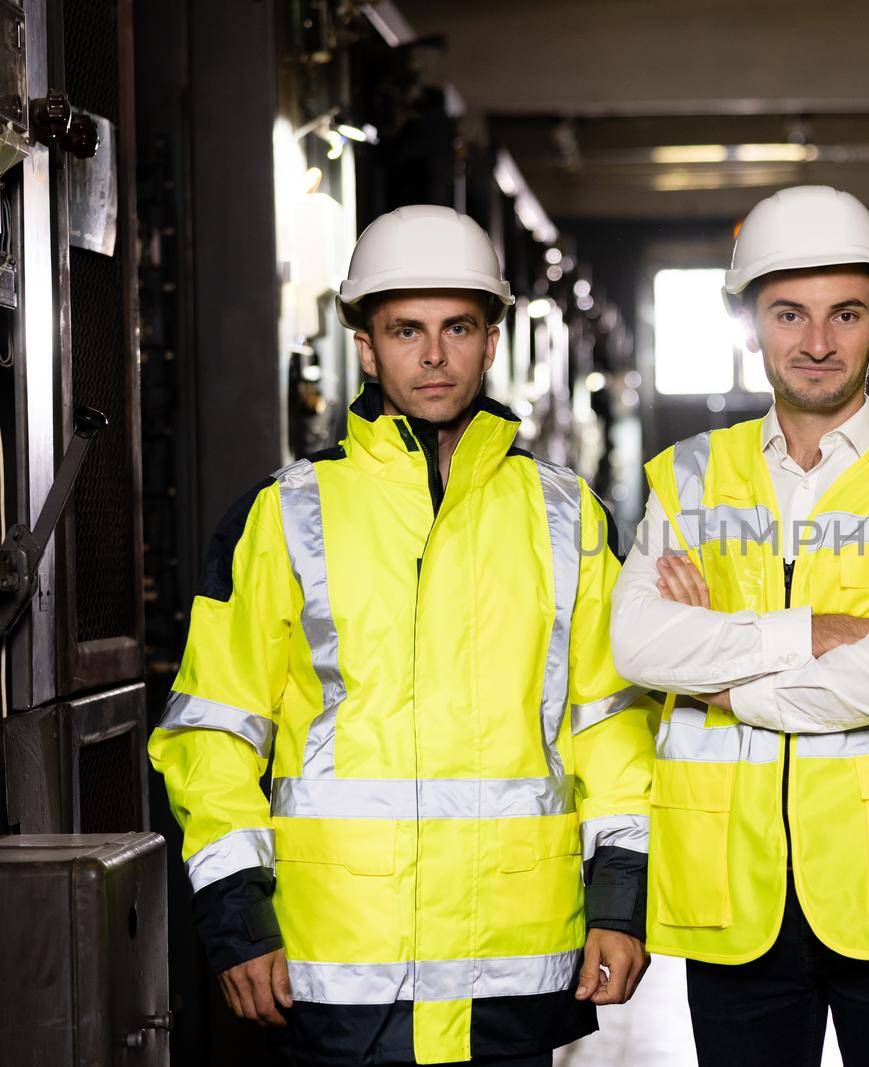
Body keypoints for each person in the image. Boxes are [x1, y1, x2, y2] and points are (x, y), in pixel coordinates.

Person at [149, 205, 655, 1066]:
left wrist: (620, 901)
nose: (432, 355)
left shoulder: (570, 517)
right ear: (367, 345)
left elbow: (610, 724)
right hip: (339, 969)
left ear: (492, 339)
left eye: (457, 327)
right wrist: (236, 919)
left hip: (515, 964)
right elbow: (213, 732)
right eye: (406, 329)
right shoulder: (283, 517)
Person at [609, 185, 869, 1066]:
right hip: (733, 896)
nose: (817, 342)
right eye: (789, 313)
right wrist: (806, 632)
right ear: (751, 323)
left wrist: (713, 675)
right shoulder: (687, 477)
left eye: (845, 313)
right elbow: (635, 644)